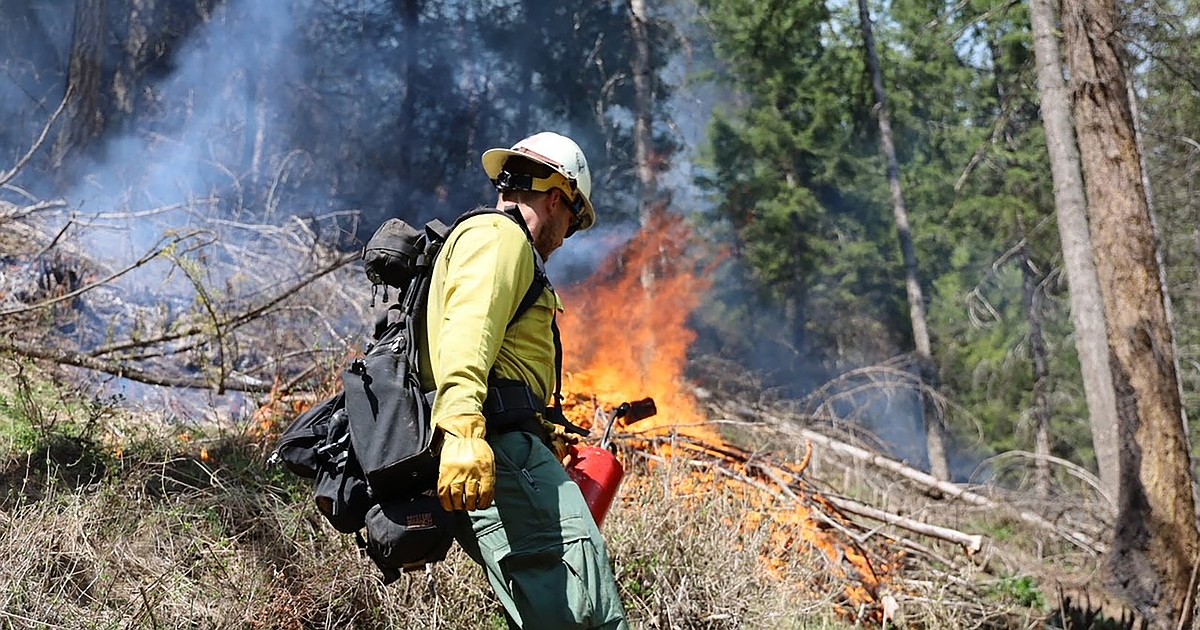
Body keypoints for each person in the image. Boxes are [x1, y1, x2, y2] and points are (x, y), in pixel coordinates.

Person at [418, 131, 629, 629]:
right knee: (585, 609)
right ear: (558, 199)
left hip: (506, 447)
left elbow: (499, 353)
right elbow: (470, 333)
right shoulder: (501, 238)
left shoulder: (490, 240)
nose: (564, 239)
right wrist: (464, 430)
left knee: (552, 609)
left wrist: (537, 427)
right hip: (497, 448)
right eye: (572, 224)